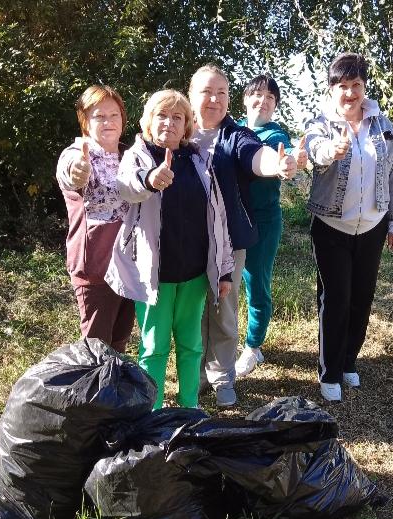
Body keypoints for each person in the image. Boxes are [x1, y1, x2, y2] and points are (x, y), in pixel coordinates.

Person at [104, 89, 234, 409]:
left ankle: (190, 408)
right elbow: (126, 185)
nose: (169, 123)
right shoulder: (138, 156)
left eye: (178, 117)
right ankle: (154, 412)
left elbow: (218, 217)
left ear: (188, 125)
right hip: (154, 278)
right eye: (162, 115)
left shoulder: (200, 159)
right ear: (148, 120)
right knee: (154, 347)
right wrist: (150, 179)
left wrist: (225, 268)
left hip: (194, 275)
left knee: (191, 346)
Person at [188, 64, 297, 407]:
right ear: (191, 96)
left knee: (223, 309)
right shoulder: (178, 131)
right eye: (207, 91)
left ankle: (222, 377)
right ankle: (194, 374)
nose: (215, 99)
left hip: (228, 243)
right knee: (191, 310)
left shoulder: (235, 134)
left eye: (222, 92)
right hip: (185, 240)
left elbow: (255, 155)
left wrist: (277, 164)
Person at [304, 53, 393, 402]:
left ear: (365, 87)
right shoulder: (321, 123)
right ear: (332, 90)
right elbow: (315, 150)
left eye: (356, 85)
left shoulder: (383, 124)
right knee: (335, 299)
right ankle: (329, 371)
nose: (350, 93)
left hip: (373, 227)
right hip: (331, 226)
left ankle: (348, 361)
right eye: (342, 87)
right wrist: (331, 150)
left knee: (361, 298)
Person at [234, 75, 308, 377]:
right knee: (223, 284)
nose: (262, 101)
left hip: (263, 222)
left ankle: (252, 347)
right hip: (227, 220)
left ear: (275, 106)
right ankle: (220, 344)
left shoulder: (274, 134)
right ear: (245, 99)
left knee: (256, 284)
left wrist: (289, 163)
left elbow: (283, 158)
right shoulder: (233, 128)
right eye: (257, 94)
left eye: (270, 98)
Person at [55, 85, 134, 352]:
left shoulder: (130, 154)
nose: (108, 122)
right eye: (99, 116)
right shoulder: (76, 153)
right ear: (85, 121)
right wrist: (78, 172)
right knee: (97, 346)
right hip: (96, 268)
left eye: (114, 115)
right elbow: (71, 173)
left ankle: (114, 390)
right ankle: (94, 394)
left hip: (129, 264)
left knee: (120, 339)